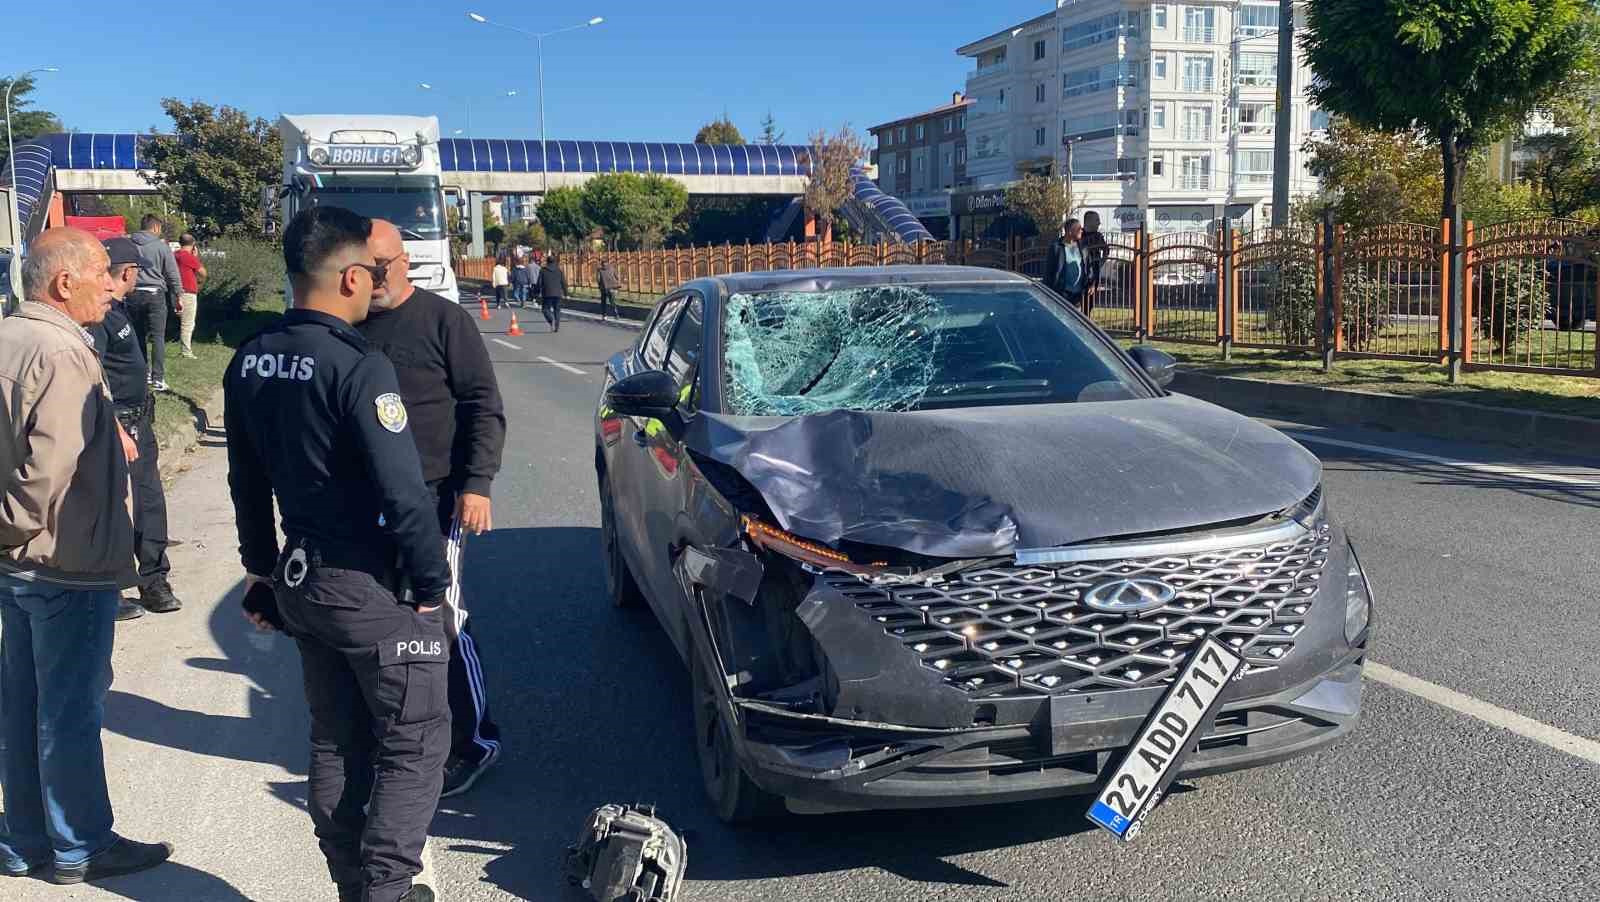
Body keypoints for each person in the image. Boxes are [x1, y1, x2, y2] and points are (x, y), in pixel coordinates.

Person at [225, 206, 450, 902]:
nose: (378, 285)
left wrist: (262, 573)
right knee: (415, 744)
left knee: (335, 740)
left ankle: (354, 883)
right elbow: (404, 491)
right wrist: (429, 584)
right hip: (369, 585)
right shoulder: (358, 365)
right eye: (376, 273)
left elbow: (245, 478)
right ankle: (386, 891)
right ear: (352, 275)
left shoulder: (251, 355)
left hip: (303, 579)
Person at [0, 227, 172, 886]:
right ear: (63, 281)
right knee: (68, 711)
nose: (114, 283)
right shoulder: (62, 351)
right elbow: (48, 467)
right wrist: (13, 526)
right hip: (61, 560)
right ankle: (81, 845)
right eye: (102, 271)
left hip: (19, 564)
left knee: (20, 708)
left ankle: (25, 840)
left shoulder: (12, 336)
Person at [358, 219, 507, 798]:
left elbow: (483, 404)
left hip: (436, 498)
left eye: (378, 268)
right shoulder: (347, 328)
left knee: (440, 618)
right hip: (365, 501)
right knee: (378, 619)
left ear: (402, 264)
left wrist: (477, 484)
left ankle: (475, 741)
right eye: (359, 269)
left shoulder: (444, 321)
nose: (369, 280)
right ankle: (400, 733)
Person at [88, 237, 182, 619]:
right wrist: (116, 428)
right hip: (117, 425)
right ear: (129, 273)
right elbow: (93, 378)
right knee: (113, 507)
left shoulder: (120, 309)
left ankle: (154, 580)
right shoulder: (99, 316)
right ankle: (110, 589)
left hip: (139, 420)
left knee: (148, 503)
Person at [126, 214, 182, 392]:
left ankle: (141, 374)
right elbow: (172, 273)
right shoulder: (161, 247)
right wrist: (178, 294)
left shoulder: (129, 244)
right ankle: (158, 378)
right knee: (158, 337)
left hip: (133, 293)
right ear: (156, 228)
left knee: (137, 335)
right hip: (155, 294)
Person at [173, 233, 206, 359]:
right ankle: (186, 351)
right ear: (193, 244)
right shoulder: (188, 257)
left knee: (180, 320)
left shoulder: (174, 255)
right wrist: (196, 258)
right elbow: (203, 272)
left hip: (175, 291)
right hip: (188, 292)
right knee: (188, 323)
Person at [1045, 218, 1087, 310]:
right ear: (1070, 231)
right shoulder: (1056, 248)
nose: (1082, 230)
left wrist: (1091, 283)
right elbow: (1049, 273)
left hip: (1077, 296)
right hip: (1062, 295)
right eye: (1079, 228)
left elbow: (1088, 266)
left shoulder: (1082, 246)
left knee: (1075, 322)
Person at [1079, 211, 1110, 317]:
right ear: (1088, 221)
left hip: (1094, 271)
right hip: (1080, 271)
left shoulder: (1098, 236)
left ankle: (1086, 318)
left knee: (1090, 300)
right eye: (1096, 220)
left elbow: (1106, 250)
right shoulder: (1079, 234)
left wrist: (1101, 262)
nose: (1099, 223)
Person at [539, 252, 567, 332]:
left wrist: (536, 292)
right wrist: (566, 293)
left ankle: (551, 319)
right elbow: (563, 282)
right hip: (558, 293)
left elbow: (539, 283)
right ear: (554, 262)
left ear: (547, 262)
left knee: (545, 309)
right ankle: (557, 325)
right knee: (557, 310)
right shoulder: (559, 270)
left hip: (547, 293)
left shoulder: (543, 270)